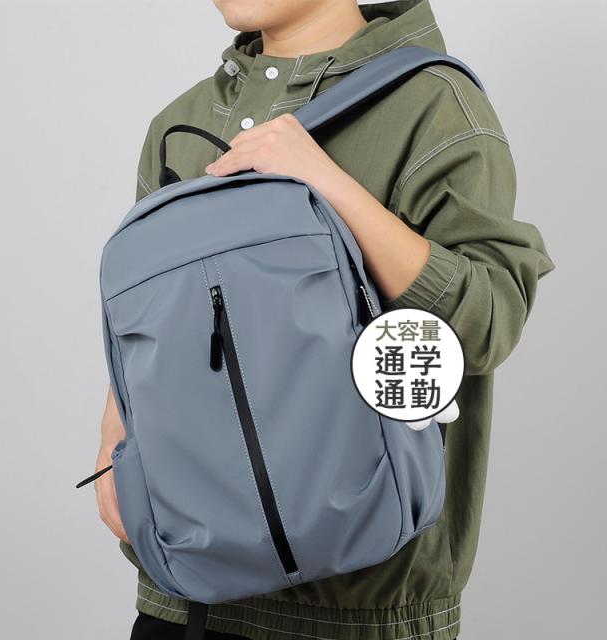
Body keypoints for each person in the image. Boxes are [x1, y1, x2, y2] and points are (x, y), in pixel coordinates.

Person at [93, 1, 555, 639]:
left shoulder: (433, 104)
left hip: (359, 614)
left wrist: (325, 181)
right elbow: (147, 329)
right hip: (187, 598)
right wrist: (114, 440)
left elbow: (486, 323)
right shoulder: (182, 122)